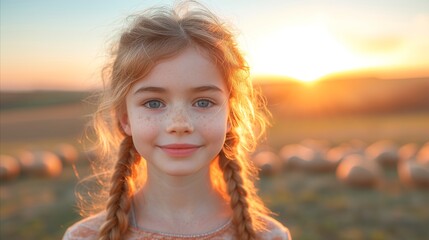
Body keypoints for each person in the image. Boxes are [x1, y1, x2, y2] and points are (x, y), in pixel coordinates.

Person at [63, 2, 291, 240]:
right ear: (125, 119)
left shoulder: (270, 236)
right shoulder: (83, 237)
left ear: (230, 117)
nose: (179, 124)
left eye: (203, 102)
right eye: (153, 103)